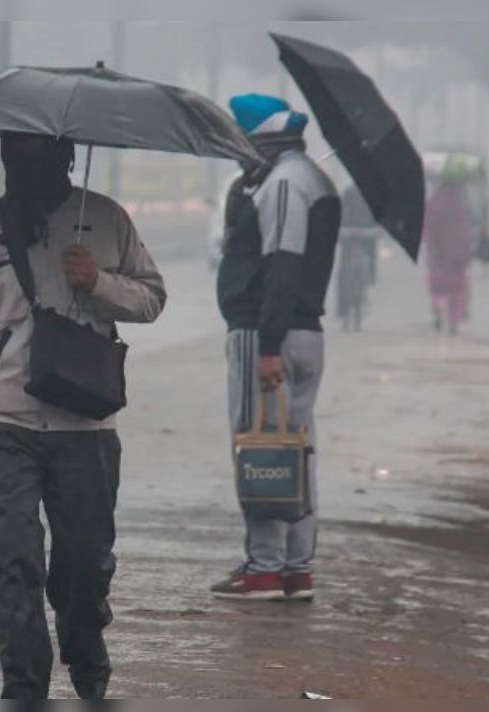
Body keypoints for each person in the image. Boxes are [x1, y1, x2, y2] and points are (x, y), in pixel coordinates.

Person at [0, 131, 166, 698]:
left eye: (40, 158)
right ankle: (24, 686)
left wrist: (98, 283)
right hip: (5, 421)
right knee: (15, 561)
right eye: (15, 158)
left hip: (87, 426)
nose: (26, 171)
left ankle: (87, 663)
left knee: (83, 565)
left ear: (68, 160)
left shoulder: (106, 221)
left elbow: (151, 298)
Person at [211, 94, 340, 601]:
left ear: (258, 138)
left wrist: (266, 346)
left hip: (270, 336)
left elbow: (283, 266)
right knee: (295, 449)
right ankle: (295, 566)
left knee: (260, 444)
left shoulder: (285, 183)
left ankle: (264, 566)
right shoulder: (303, 177)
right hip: (300, 333)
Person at [423, 161, 477, 335]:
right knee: (457, 287)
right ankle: (454, 320)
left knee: (437, 283)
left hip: (438, 249)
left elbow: (429, 224)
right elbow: (468, 226)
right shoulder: (463, 201)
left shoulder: (435, 200)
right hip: (458, 251)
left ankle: (437, 307)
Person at [336, 184, 378, 332]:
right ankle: (362, 302)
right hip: (362, 241)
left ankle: (346, 311)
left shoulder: (348, 193)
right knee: (357, 275)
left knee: (346, 277)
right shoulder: (373, 194)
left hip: (355, 241)